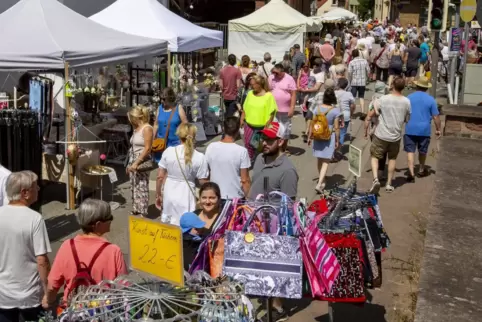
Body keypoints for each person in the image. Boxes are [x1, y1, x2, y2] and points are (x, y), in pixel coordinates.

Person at [248, 121, 298, 321]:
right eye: (263, 138)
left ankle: (277, 308)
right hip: (254, 221)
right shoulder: (260, 158)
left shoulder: (288, 170)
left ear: (281, 141)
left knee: (272, 268)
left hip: (273, 228)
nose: (264, 142)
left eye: (269, 139)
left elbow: (288, 207)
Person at [46, 199, 127, 306]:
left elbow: (53, 283)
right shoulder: (113, 251)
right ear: (97, 224)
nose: (111, 220)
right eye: (109, 218)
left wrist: (48, 300)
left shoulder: (67, 246)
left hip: (73, 310)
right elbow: (124, 287)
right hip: (102, 310)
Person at [0, 171, 51, 321]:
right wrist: (47, 292)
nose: (39, 190)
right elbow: (42, 260)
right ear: (25, 193)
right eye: (36, 187)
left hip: (3, 293)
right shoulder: (34, 219)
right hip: (29, 294)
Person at [157, 123, 210, 225]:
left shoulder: (169, 151)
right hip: (186, 194)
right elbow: (203, 181)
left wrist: (158, 195)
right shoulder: (200, 157)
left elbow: (160, 177)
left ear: (178, 135)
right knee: (186, 224)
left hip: (169, 192)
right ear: (194, 136)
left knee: (169, 225)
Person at [366, 77, 411, 193]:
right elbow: (407, 119)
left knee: (375, 156)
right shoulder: (406, 101)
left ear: (392, 85)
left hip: (381, 134)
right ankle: (389, 183)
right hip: (395, 136)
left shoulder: (384, 99)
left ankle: (376, 179)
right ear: (403, 87)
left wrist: (368, 119)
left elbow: (373, 112)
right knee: (392, 159)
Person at [404, 77, 442, 182]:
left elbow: (405, 112)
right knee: (423, 151)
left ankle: (411, 172)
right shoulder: (431, 100)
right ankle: (421, 169)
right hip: (424, 130)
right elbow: (436, 117)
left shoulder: (409, 97)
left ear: (417, 86)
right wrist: (438, 129)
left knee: (410, 151)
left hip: (410, 128)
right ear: (426, 88)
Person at [205, 117, 251, 200]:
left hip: (215, 196)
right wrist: (249, 199)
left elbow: (206, 173)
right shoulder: (242, 151)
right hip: (235, 198)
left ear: (223, 129)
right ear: (237, 131)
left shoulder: (211, 147)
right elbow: (245, 180)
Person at [181, 182, 222, 271]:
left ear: (219, 199)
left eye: (212, 198)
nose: (207, 201)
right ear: (199, 199)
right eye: (204, 198)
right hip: (186, 269)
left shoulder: (222, 221)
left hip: (209, 271)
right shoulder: (193, 215)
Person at [308, 88, 341, 193]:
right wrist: (337, 140)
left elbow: (312, 123)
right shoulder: (335, 111)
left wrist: (309, 136)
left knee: (319, 159)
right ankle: (319, 183)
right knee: (326, 161)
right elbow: (336, 128)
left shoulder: (317, 109)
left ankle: (321, 179)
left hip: (317, 135)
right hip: (328, 137)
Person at [240, 75, 278, 162]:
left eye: (253, 84)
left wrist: (268, 124)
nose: (251, 86)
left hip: (262, 127)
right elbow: (245, 107)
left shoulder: (268, 96)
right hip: (249, 124)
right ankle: (249, 160)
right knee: (248, 143)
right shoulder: (250, 93)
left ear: (259, 84)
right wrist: (242, 119)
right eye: (250, 84)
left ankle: (262, 160)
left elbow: (272, 112)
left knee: (259, 145)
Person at [127, 105, 153, 217]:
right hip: (133, 158)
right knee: (134, 184)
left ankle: (143, 209)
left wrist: (137, 162)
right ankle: (136, 207)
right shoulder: (136, 128)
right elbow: (132, 146)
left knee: (142, 185)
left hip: (142, 159)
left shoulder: (147, 128)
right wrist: (129, 163)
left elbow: (148, 148)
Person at [153, 87, 188, 163]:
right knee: (161, 169)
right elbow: (156, 125)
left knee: (173, 166)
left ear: (170, 98)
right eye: (161, 98)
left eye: (164, 99)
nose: (162, 101)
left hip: (175, 144)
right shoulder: (159, 108)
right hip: (161, 144)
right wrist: (152, 138)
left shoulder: (178, 108)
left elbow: (185, 123)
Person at [269, 64, 297, 154]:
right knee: (274, 129)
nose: (275, 75)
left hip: (285, 110)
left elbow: (293, 94)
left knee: (285, 130)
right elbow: (269, 90)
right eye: (274, 73)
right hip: (273, 109)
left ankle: (283, 148)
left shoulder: (289, 79)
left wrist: (292, 108)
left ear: (282, 71)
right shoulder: (271, 78)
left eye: (277, 73)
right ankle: (275, 148)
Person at [364, 81, 389, 180]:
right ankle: (380, 173)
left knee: (376, 151)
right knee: (383, 152)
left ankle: (376, 170)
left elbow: (368, 118)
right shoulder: (386, 101)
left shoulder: (372, 101)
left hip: (373, 130)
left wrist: (365, 131)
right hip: (384, 129)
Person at [348, 49, 370, 117]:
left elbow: (349, 72)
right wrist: (367, 77)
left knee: (353, 98)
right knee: (361, 97)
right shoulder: (364, 61)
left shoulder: (351, 62)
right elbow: (368, 70)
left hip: (354, 82)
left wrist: (350, 80)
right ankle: (362, 112)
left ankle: (351, 113)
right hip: (362, 82)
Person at [335, 78, 355, 148]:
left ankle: (333, 149)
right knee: (343, 133)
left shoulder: (334, 92)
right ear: (346, 85)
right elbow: (352, 105)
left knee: (334, 132)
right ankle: (338, 150)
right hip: (346, 115)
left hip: (335, 114)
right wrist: (351, 114)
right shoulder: (349, 94)